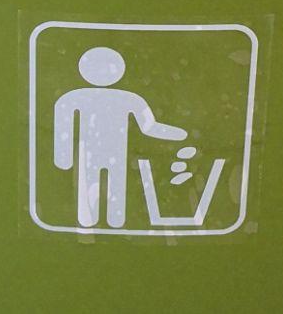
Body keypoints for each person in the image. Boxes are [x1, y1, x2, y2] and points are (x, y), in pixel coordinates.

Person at [53, 46, 187, 229]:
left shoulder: (129, 99)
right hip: (90, 153)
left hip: (116, 152)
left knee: (115, 188)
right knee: (90, 187)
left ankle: (112, 220)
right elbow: (63, 124)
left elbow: (149, 126)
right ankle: (93, 220)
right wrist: (63, 157)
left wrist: (178, 134)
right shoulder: (75, 98)